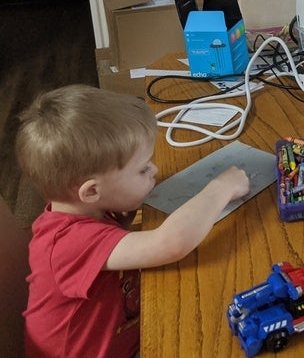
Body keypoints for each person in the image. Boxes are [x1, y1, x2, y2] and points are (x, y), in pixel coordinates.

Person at [16, 84, 250, 358]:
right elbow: (170, 244)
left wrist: (121, 225)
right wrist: (221, 188)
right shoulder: (66, 243)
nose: (155, 170)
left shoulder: (84, 210)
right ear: (91, 191)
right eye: (142, 169)